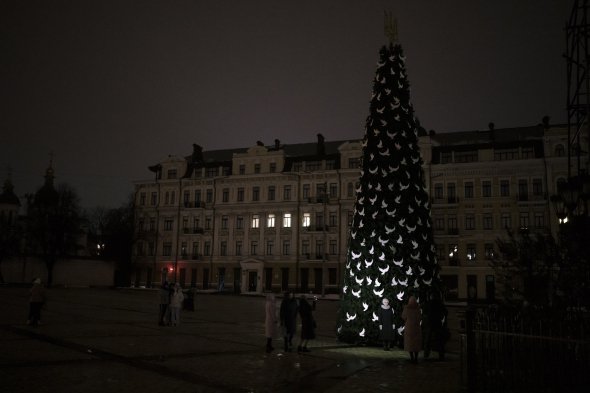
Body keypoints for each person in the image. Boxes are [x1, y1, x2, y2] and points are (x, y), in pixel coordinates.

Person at [402, 295, 422, 363]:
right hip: (416, 327)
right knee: (416, 342)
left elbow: (403, 317)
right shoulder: (418, 308)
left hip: (409, 327)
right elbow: (420, 317)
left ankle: (412, 358)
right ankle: (416, 358)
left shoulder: (407, 308)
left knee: (410, 342)